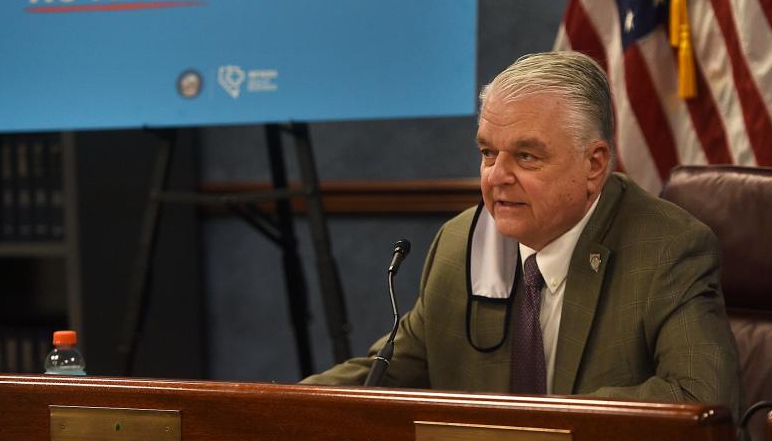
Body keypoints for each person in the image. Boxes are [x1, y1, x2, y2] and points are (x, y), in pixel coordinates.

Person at [302, 51, 741, 420]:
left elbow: (701, 399)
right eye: (488, 152)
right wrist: (263, 406)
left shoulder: (668, 249)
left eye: (526, 156)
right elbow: (387, 372)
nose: (496, 177)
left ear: (594, 164)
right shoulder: (460, 244)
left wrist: (536, 428)